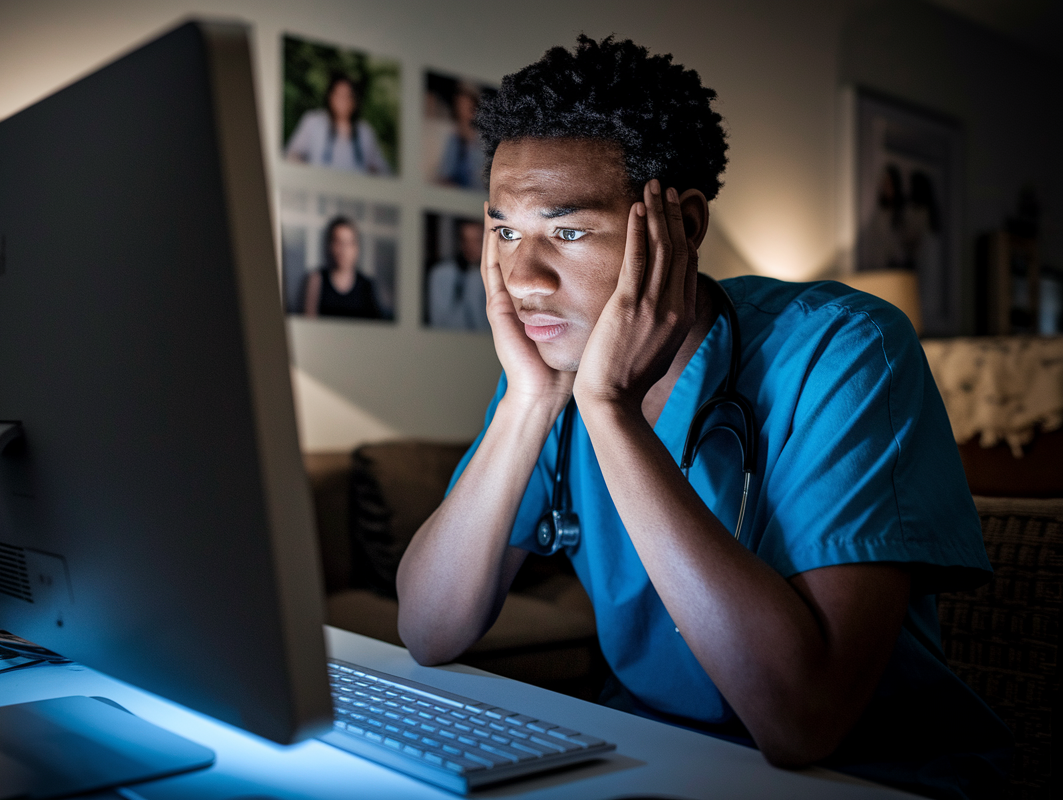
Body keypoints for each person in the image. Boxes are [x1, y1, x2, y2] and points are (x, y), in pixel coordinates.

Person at [395, 35, 1010, 800]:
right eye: (506, 232)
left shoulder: (846, 352)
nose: (522, 279)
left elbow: (802, 724)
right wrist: (528, 402)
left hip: (867, 779)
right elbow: (427, 631)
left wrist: (609, 411)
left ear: (682, 226)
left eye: (570, 231)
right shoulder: (547, 372)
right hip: (649, 762)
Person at [285, 72, 390, 175]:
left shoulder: (365, 131)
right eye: (338, 94)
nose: (343, 100)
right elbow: (292, 155)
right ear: (330, 96)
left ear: (355, 101)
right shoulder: (313, 121)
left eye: (348, 96)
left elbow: (382, 170)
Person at [303, 216, 382, 320]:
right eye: (338, 242)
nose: (343, 250)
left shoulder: (366, 286)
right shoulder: (316, 280)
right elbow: (309, 323)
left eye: (349, 243)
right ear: (329, 246)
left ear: (356, 248)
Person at [427, 218, 490, 331]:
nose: (469, 247)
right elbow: (437, 320)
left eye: (476, 241)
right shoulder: (441, 273)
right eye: (465, 240)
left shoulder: (493, 277)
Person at [435, 84, 484, 189]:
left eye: (467, 107)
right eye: (460, 107)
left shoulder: (484, 141)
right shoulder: (453, 139)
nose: (463, 112)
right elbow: (445, 174)